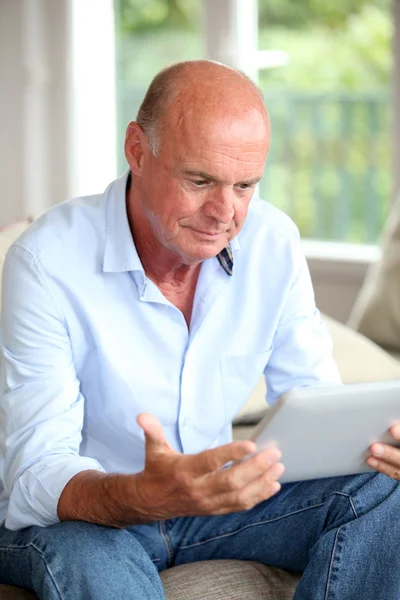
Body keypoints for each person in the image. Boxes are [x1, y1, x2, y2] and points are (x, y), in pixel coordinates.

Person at [0, 60, 399, 600]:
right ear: (137, 150)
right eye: (200, 180)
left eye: (245, 185)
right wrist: (143, 494)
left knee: (386, 488)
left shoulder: (272, 242)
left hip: (208, 507)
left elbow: (314, 403)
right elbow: (36, 474)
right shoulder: (46, 261)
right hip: (84, 515)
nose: (225, 213)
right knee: (92, 555)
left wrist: (371, 448)